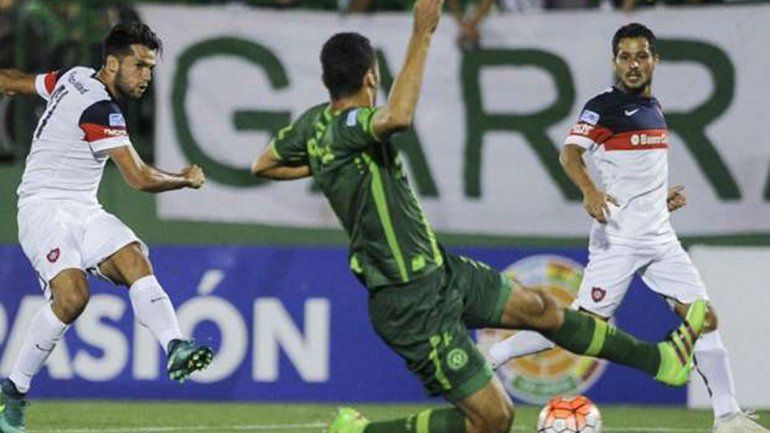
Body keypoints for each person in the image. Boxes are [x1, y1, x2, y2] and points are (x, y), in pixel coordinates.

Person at [252, 4, 707, 432]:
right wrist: (422, 31)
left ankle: (660, 361)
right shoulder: (348, 127)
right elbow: (399, 116)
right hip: (408, 300)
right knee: (494, 420)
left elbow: (263, 164)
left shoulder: (312, 128)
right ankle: (366, 430)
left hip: (439, 270)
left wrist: (327, 162)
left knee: (542, 309)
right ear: (372, 75)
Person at [486, 23, 767, 433]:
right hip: (617, 238)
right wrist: (588, 191)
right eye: (624, 56)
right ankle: (493, 358)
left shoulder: (655, 109)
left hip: (660, 238)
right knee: (581, 326)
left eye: (641, 56)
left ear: (655, 60)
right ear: (614, 61)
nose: (633, 65)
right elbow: (568, 155)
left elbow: (635, 175)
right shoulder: (604, 106)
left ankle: (726, 417)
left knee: (704, 318)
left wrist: (659, 200)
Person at [0, 22, 214, 433]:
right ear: (112, 63)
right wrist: (184, 178)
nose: (146, 77)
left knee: (135, 259)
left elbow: (18, 82)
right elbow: (140, 178)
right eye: (139, 66)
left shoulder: (73, 77)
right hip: (43, 208)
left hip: (84, 208)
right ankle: (14, 388)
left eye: (150, 68)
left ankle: (175, 345)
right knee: (73, 297)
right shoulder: (101, 109)